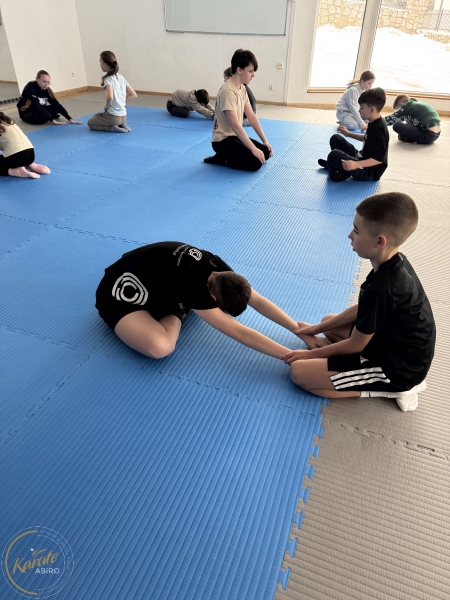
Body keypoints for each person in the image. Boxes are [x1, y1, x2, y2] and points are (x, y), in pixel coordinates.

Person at [282, 192, 436, 412]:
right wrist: (316, 329)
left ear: (379, 241)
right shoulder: (393, 262)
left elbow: (356, 344)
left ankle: (390, 389)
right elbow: (363, 308)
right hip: (390, 342)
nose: (349, 236)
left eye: (356, 230)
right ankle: (342, 361)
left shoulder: (384, 287)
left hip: (397, 369)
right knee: (328, 322)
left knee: (299, 372)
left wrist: (309, 354)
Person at [96, 241, 300, 360]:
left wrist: (299, 330)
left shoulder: (219, 269)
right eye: (219, 308)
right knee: (161, 348)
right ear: (212, 298)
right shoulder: (192, 286)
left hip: (153, 276)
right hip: (119, 293)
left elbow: (259, 300)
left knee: (184, 298)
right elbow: (240, 332)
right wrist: (290, 355)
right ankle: (177, 310)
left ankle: (179, 304)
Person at [204, 49, 272, 172]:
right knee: (255, 163)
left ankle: (228, 156)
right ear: (239, 70)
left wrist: (265, 141)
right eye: (250, 71)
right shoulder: (228, 91)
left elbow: (251, 116)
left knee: (265, 152)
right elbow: (235, 125)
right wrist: (253, 149)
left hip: (235, 137)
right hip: (222, 141)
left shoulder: (242, 88)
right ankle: (222, 159)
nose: (253, 75)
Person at [318, 87, 389, 182]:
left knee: (334, 155)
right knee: (336, 139)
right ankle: (343, 169)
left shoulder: (378, 129)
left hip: (369, 171)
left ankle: (333, 167)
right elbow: (367, 138)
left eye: (362, 108)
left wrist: (356, 165)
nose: (359, 111)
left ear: (372, 109)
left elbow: (379, 159)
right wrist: (349, 134)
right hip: (361, 157)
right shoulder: (373, 121)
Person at [87, 51, 137, 133]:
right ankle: (121, 124)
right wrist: (120, 102)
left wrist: (106, 106)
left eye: (100, 62)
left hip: (113, 117)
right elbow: (133, 94)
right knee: (98, 115)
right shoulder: (121, 77)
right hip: (124, 116)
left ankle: (111, 128)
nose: (100, 64)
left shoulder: (108, 79)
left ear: (105, 64)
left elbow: (110, 96)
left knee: (90, 123)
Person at [17, 70, 81, 126]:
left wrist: (69, 119)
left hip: (38, 110)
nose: (46, 85)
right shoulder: (30, 88)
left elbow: (55, 103)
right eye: (44, 81)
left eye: (48, 82)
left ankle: (47, 116)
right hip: (27, 111)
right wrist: (53, 120)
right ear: (37, 79)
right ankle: (47, 116)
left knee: (56, 108)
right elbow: (37, 106)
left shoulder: (46, 89)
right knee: (42, 119)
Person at [0, 112, 50, 179]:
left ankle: (15, 171)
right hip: (31, 154)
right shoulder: (6, 120)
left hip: (16, 157)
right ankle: (30, 165)